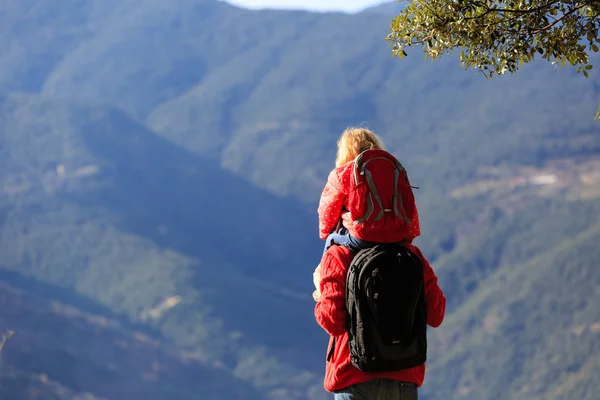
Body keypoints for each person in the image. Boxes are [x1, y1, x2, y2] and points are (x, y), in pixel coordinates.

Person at [313, 127, 446, 399]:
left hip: (354, 379)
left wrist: (318, 294)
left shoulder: (338, 255)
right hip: (404, 382)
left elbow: (333, 322)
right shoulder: (412, 257)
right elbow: (437, 313)